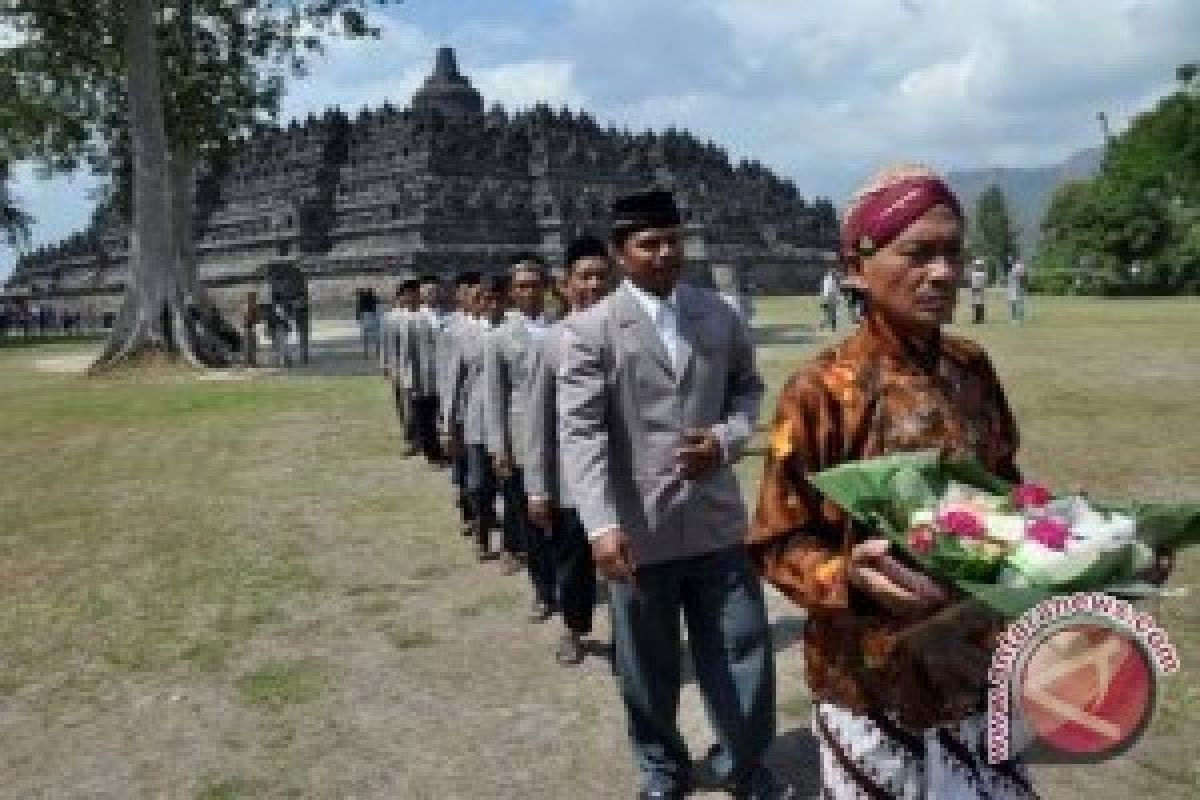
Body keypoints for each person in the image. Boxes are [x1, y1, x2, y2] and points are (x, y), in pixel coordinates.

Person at [749, 164, 1036, 799]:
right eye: (918, 253)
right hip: (869, 686)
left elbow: (1012, 496)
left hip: (979, 667)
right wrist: (846, 576)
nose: (943, 273)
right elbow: (776, 544)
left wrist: (1088, 549)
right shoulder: (821, 390)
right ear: (855, 265)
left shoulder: (972, 367)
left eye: (952, 252)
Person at [558, 190, 784, 800]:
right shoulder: (588, 332)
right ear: (620, 253)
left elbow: (746, 391)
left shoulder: (720, 314)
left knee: (743, 651)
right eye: (647, 244)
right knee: (648, 667)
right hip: (639, 532)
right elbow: (580, 435)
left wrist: (728, 439)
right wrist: (600, 526)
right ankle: (662, 770)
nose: (663, 254)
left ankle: (745, 763)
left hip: (715, 522)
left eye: (672, 240)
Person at [524, 234, 612, 666]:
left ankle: (630, 640)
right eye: (585, 276)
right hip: (572, 481)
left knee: (630, 566)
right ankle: (574, 630)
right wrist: (537, 487)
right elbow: (537, 419)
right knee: (574, 562)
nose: (594, 284)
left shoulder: (629, 335)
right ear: (566, 284)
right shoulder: (551, 341)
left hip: (623, 477)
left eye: (601, 275)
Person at [485, 255, 555, 618]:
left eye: (535, 285)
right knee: (533, 523)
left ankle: (567, 583)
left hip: (566, 441)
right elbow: (494, 397)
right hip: (523, 443)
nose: (529, 292)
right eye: (521, 287)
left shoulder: (567, 327)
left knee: (568, 523)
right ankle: (543, 589)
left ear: (547, 287)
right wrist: (499, 449)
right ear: (512, 293)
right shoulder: (498, 339)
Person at [380, 278, 420, 457]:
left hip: (422, 369)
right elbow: (387, 344)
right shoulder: (392, 318)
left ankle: (423, 437)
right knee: (405, 405)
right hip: (402, 368)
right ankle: (411, 438)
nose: (412, 298)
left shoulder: (423, 315)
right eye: (409, 295)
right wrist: (387, 366)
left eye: (415, 294)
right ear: (401, 296)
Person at [969, 259, 988, 324]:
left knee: (979, 304)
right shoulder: (976, 273)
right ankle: (977, 319)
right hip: (976, 290)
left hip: (979, 290)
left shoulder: (981, 274)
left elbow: (982, 283)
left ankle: (979, 319)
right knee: (976, 305)